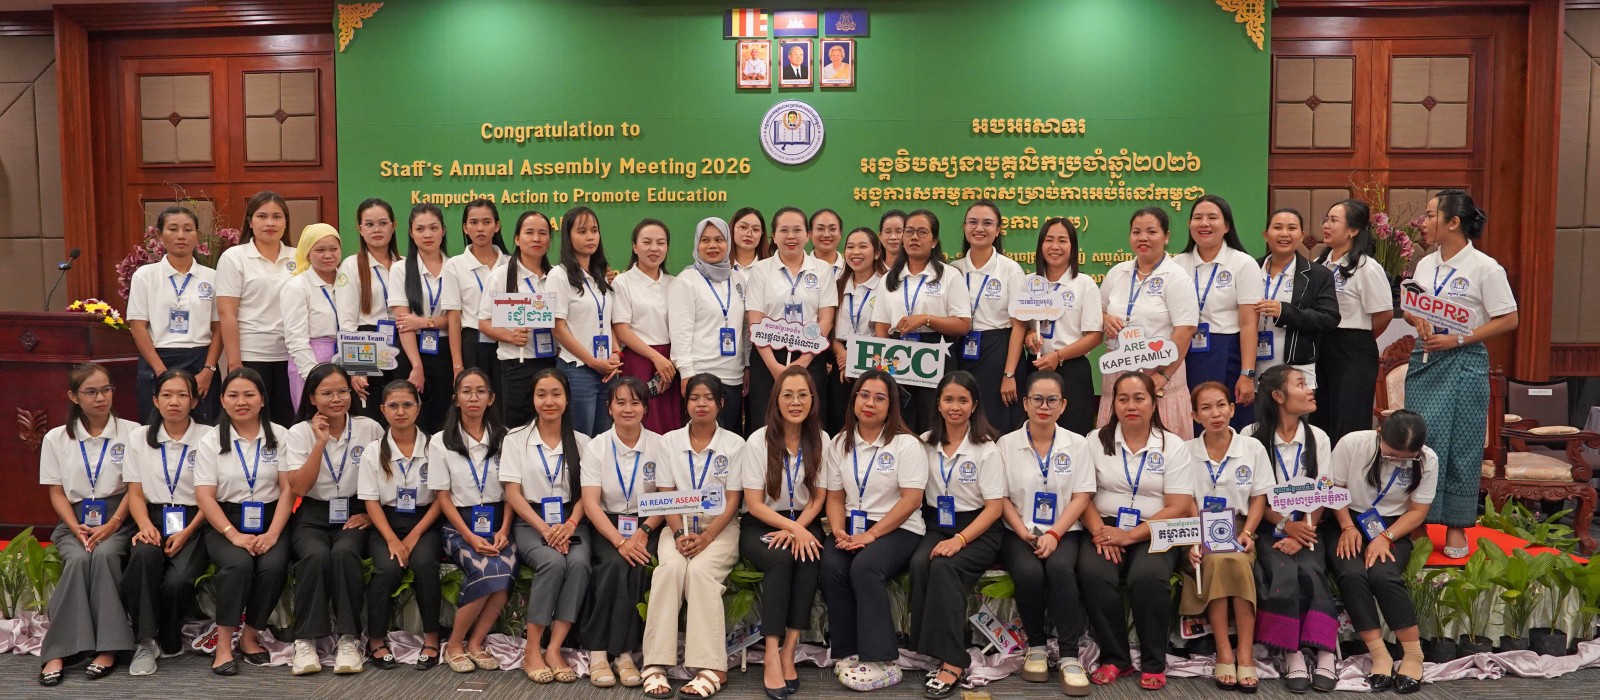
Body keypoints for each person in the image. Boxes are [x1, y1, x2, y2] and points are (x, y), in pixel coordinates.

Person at [1403, 190, 1518, 560]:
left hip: (1465, 360)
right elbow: (1411, 306)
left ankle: (1456, 524)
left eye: (1430, 215)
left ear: (1453, 222)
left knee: (1462, 443)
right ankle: (1417, 521)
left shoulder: (1485, 267)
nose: (1423, 222)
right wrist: (1416, 318)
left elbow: (1509, 318)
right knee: (1420, 441)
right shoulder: (1426, 264)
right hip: (1425, 358)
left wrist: (1459, 339)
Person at [1081, 372, 1196, 690]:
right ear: (1113, 404)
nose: (1131, 405)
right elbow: (1082, 495)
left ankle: (1153, 662)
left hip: (1156, 528)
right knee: (1094, 572)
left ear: (1154, 403)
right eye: (1123, 399)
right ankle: (1115, 658)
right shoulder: (1095, 440)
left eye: (1139, 398)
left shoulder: (1172, 445)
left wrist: (1130, 536)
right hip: (1105, 527)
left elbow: (1179, 506)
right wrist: (1102, 532)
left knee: (1148, 577)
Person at [641, 375, 747, 699]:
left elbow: (733, 499)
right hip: (678, 524)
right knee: (669, 570)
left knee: (701, 572)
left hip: (720, 527)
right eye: (694, 398)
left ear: (721, 403)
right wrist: (679, 533)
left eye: (709, 398)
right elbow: (666, 493)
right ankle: (655, 663)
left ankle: (711, 667)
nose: (701, 404)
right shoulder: (669, 442)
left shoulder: (735, 444)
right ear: (685, 404)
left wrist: (708, 536)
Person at [822, 370, 928, 691]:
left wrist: (872, 535)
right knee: (832, 564)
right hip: (853, 526)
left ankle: (883, 661)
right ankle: (848, 650)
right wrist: (838, 531)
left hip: (899, 527)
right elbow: (835, 497)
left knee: (865, 567)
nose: (870, 403)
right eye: (864, 395)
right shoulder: (840, 442)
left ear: (891, 405)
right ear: (854, 399)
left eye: (879, 398)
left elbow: (911, 500)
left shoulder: (906, 444)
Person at [995, 370, 1097, 696]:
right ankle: (1036, 647)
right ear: (1025, 403)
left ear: (1063, 405)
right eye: (1037, 399)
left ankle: (1069, 656)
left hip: (1065, 531)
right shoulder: (1005, 444)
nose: (1044, 406)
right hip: (1017, 531)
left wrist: (1054, 534)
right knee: (1028, 572)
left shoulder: (1078, 444)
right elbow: (1000, 497)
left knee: (1060, 569)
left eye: (1052, 400)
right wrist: (1022, 530)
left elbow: (1082, 495)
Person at [36, 363, 139, 686]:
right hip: (74, 520)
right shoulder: (56, 437)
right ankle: (57, 651)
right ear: (73, 396)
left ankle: (108, 648)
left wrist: (114, 523)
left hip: (120, 517)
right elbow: (56, 492)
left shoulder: (133, 432)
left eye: (106, 389)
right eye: (91, 392)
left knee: (106, 555)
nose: (101, 398)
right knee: (79, 558)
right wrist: (74, 526)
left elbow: (136, 488)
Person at [283, 363, 384, 675]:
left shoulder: (370, 428)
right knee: (314, 555)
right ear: (312, 398)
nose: (337, 398)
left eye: (342, 391)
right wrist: (320, 443)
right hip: (313, 512)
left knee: (344, 552)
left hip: (355, 510)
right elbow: (299, 487)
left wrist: (370, 514)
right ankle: (304, 641)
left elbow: (388, 477)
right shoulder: (299, 432)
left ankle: (348, 639)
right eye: (327, 393)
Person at [909, 371, 1006, 699]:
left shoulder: (986, 448)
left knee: (944, 566)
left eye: (963, 400)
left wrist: (960, 540)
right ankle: (928, 648)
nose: (955, 407)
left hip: (979, 529)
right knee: (919, 562)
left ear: (974, 405)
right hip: (938, 524)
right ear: (938, 403)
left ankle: (953, 660)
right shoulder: (924, 442)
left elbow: (994, 508)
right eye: (948, 399)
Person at [1326, 411, 1436, 694]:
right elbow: (1334, 489)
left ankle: (1413, 655)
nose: (1398, 461)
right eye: (1391, 455)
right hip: (1346, 519)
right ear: (1379, 433)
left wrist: (1386, 537)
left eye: (1406, 459)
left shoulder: (1428, 459)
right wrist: (1347, 527)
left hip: (1394, 526)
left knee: (1383, 575)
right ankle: (1379, 654)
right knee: (1352, 574)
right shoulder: (1352, 443)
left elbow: (1418, 511)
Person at [1244, 365, 1338, 692]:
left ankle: (1325, 650)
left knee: (1311, 568)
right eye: (1300, 384)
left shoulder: (1318, 437)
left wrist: (1303, 531)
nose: (1310, 390)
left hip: (1308, 524)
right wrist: (1286, 525)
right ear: (1278, 396)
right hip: (1269, 524)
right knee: (1281, 571)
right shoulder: (1251, 436)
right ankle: (1292, 650)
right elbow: (1252, 494)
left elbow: (1324, 490)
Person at [194, 368, 293, 676]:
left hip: (272, 518)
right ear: (222, 400)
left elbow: (288, 490)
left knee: (273, 565)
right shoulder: (211, 441)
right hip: (226, 520)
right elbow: (205, 496)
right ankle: (224, 645)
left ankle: (250, 635)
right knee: (238, 565)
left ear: (262, 399)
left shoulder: (280, 435)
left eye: (249, 394)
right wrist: (232, 534)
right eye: (233, 395)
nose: (241, 402)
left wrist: (273, 534)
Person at [738, 365, 828, 700]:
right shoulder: (758, 440)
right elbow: (753, 503)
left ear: (812, 400)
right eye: (787, 395)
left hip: (804, 519)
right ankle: (771, 653)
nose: (795, 402)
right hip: (763, 522)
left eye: (803, 395)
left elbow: (819, 497)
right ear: (776, 400)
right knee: (780, 559)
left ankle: (789, 650)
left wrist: (798, 529)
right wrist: (791, 530)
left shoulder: (821, 439)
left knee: (809, 556)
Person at [1182, 381, 1273, 693]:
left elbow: (1259, 498)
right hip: (1199, 528)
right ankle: (1224, 651)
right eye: (1206, 408)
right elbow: (1186, 499)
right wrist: (1195, 538)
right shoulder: (1186, 451)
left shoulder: (1252, 448)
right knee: (1218, 561)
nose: (1216, 413)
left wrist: (1247, 532)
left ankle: (1244, 653)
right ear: (1195, 416)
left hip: (1239, 527)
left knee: (1235, 559)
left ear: (1232, 409)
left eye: (1221, 405)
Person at [501, 368, 590, 684]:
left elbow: (588, 494)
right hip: (531, 520)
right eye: (542, 395)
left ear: (567, 399)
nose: (549, 401)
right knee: (552, 562)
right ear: (533, 399)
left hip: (571, 520)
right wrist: (544, 529)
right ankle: (532, 649)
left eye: (556, 394)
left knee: (578, 563)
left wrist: (570, 523)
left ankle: (554, 649)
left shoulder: (582, 442)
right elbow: (513, 493)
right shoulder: (515, 439)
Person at [120, 369, 209, 676]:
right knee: (143, 557)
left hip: (196, 519)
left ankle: (169, 632)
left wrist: (187, 532)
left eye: (183, 395)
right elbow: (134, 492)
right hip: (153, 516)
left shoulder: (208, 437)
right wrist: (144, 525)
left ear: (194, 401)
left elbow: (212, 496)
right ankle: (145, 641)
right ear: (155, 400)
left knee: (179, 580)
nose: (174, 402)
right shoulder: (139, 437)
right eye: (167, 395)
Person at [427, 368, 515, 673]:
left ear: (491, 398)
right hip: (458, 527)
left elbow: (512, 491)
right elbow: (442, 498)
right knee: (486, 569)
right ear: (456, 399)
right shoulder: (440, 442)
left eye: (480, 391)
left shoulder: (505, 438)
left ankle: (476, 643)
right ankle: (454, 644)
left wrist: (504, 529)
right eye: (466, 391)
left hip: (499, 524)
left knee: (505, 571)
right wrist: (469, 536)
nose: (473, 397)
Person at [580, 375, 664, 689]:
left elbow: (666, 498)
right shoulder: (597, 446)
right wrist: (619, 541)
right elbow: (590, 504)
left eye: (635, 402)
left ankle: (624, 653)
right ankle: (598, 652)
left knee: (640, 564)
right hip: (607, 523)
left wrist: (643, 531)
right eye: (620, 402)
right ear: (609, 407)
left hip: (648, 522)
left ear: (645, 408)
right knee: (615, 564)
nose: (628, 409)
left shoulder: (660, 444)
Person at [358, 380, 444, 671]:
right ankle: (376, 639)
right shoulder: (373, 451)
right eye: (393, 406)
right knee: (387, 568)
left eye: (407, 404)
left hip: (425, 521)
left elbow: (441, 498)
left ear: (418, 408)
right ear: (383, 410)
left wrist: (415, 535)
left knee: (424, 564)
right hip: (386, 522)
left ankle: (431, 638)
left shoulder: (435, 447)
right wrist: (392, 539)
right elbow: (371, 502)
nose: (400, 411)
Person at [1099, 207, 1201, 439]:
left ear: (1166, 237)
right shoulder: (1117, 273)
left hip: (1160, 374)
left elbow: (1185, 330)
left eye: (1151, 232)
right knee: (1116, 444)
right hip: (1119, 370)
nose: (1143, 238)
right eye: (1136, 232)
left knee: (1162, 443)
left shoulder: (1176, 276)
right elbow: (1100, 310)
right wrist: (1105, 319)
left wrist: (1162, 376)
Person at [873, 210, 972, 432]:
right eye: (909, 232)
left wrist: (925, 319)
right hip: (897, 354)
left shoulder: (949, 275)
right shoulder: (889, 278)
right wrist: (885, 363)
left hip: (936, 352)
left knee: (933, 421)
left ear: (934, 240)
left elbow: (963, 324)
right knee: (901, 421)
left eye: (922, 232)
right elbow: (881, 325)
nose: (914, 238)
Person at [1172, 195, 1264, 428]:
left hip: (1226, 351)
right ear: (1189, 224)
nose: (1204, 223)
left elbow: (1249, 324)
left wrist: (1247, 373)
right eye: (1197, 218)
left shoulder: (1242, 263)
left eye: (1212, 218)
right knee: (1188, 420)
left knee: (1223, 421)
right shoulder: (1176, 264)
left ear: (1226, 226)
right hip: (1182, 352)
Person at [745, 206, 837, 437]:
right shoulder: (761, 269)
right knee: (765, 425)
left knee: (811, 426)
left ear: (807, 235)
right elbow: (755, 322)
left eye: (797, 230)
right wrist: (774, 366)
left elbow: (826, 319)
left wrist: (802, 363)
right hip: (767, 357)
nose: (791, 236)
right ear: (774, 236)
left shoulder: (822, 269)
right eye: (784, 230)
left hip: (810, 356)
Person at [127, 206, 221, 424]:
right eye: (173, 229)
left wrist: (208, 370)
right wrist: (162, 373)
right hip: (157, 360)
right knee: (155, 430)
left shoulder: (212, 277)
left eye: (188, 229)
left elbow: (219, 328)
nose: (181, 235)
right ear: (160, 235)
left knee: (204, 430)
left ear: (197, 235)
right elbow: (137, 327)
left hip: (200, 361)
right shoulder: (145, 276)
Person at [1312, 199, 1392, 443]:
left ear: (1353, 230)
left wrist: (1359, 338)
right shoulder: (1318, 264)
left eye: (1334, 220)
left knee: (1349, 419)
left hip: (1353, 349)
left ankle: (1349, 468)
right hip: (1321, 345)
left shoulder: (1367, 267)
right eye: (1326, 219)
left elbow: (1384, 314)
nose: (1326, 225)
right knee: (1320, 417)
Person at [216, 191, 296, 426]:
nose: (270, 223)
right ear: (250, 222)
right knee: (253, 423)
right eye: (262, 216)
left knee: (288, 423)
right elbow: (227, 313)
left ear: (285, 222)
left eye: (277, 217)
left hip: (292, 355)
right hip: (251, 354)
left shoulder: (299, 257)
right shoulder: (234, 257)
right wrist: (234, 362)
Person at [1022, 217, 1103, 435]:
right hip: (1035, 365)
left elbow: (1095, 336)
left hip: (1071, 369)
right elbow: (1023, 326)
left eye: (1062, 241)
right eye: (1049, 240)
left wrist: (1058, 356)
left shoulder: (1084, 284)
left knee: (1074, 433)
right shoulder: (1029, 282)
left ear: (1073, 247)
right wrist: (1029, 335)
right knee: (1034, 432)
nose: (1055, 246)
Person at [952, 200, 1028, 429]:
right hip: (959, 350)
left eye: (987, 223)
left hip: (999, 352)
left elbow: (1019, 326)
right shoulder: (953, 269)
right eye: (972, 222)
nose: (979, 228)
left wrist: (1009, 374)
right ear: (964, 227)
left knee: (997, 423)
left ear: (997, 230)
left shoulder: (1011, 270)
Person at [389, 203, 463, 433]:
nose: (427, 234)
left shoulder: (456, 267)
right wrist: (417, 366)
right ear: (411, 233)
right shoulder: (400, 269)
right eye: (420, 229)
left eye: (433, 228)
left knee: (444, 417)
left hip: (446, 349)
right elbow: (404, 323)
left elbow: (456, 319)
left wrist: (422, 322)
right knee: (413, 418)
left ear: (443, 230)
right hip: (412, 352)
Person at [480, 210, 558, 428]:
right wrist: (510, 336)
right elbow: (484, 322)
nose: (536, 239)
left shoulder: (556, 276)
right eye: (529, 232)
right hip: (517, 363)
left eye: (543, 233)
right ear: (517, 239)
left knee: (550, 425)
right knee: (518, 428)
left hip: (552, 362)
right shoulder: (501, 275)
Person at [670, 217, 747, 432]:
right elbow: (680, 331)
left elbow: (745, 327)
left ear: (728, 243)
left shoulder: (738, 280)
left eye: (719, 240)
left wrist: (747, 365)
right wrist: (686, 372)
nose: (712, 245)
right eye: (705, 240)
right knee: (703, 440)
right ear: (697, 244)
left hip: (734, 376)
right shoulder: (687, 280)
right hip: (700, 376)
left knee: (729, 440)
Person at [549, 206, 621, 436]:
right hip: (577, 370)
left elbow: (608, 321)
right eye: (582, 231)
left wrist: (616, 353)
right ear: (568, 236)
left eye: (594, 230)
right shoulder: (558, 275)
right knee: (580, 440)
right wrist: (592, 362)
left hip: (607, 369)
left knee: (602, 440)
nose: (590, 237)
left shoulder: (600, 275)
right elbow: (558, 329)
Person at [1253, 208, 1339, 387]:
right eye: (1277, 227)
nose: (1284, 234)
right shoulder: (1249, 269)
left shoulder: (1318, 274)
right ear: (1265, 235)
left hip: (1297, 367)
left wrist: (1285, 312)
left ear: (1301, 236)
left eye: (1292, 228)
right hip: (1253, 367)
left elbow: (1329, 318)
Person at [339, 198, 407, 421]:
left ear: (393, 226)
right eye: (369, 224)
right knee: (372, 415)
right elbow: (347, 322)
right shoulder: (351, 265)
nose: (376, 229)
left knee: (401, 410)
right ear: (360, 229)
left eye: (383, 223)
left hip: (402, 340)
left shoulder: (405, 264)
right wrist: (356, 368)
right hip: (366, 343)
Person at [614, 218, 682, 434]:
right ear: (635, 246)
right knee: (641, 422)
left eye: (661, 243)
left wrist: (669, 362)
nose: (654, 248)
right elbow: (621, 330)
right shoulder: (622, 282)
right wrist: (655, 358)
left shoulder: (675, 283)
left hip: (670, 364)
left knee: (670, 424)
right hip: (638, 362)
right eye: (647, 242)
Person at [280, 224, 352, 412]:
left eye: (334, 249)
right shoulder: (297, 286)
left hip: (347, 357)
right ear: (307, 253)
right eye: (320, 250)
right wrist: (314, 377)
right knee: (315, 420)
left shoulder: (348, 281)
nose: (328, 255)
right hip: (311, 361)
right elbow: (295, 339)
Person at [446, 199, 510, 396]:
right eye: (473, 222)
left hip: (507, 340)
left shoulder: (511, 264)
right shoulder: (454, 265)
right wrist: (457, 366)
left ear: (496, 226)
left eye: (486, 222)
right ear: (465, 228)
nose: (480, 228)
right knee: (475, 401)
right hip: (473, 343)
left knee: (504, 400)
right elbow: (454, 319)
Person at [829, 227, 887, 434]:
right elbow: (829, 328)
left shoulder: (886, 285)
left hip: (874, 358)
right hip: (840, 360)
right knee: (839, 420)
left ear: (877, 253)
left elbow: (886, 333)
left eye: (863, 246)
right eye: (850, 247)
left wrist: (855, 357)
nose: (855, 252)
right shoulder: (836, 285)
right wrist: (843, 354)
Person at [730, 207, 771, 273]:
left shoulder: (771, 267)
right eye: (743, 227)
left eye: (755, 229)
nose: (749, 234)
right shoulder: (720, 265)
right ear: (732, 228)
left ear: (762, 234)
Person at [810, 208, 846, 280]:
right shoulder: (799, 267)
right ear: (810, 234)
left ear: (840, 234)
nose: (826, 234)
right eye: (820, 229)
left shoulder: (851, 269)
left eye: (832, 229)